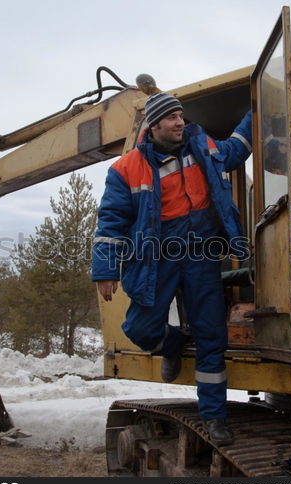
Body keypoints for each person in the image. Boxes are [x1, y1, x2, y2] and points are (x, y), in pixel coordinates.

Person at [91, 92, 252, 446]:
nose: (181, 122)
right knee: (140, 329)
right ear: (155, 125)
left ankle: (214, 416)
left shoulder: (202, 145)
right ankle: (172, 341)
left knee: (212, 335)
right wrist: (106, 269)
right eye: (173, 117)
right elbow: (111, 222)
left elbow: (236, 149)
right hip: (156, 256)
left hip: (201, 254)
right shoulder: (125, 168)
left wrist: (262, 107)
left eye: (181, 116)